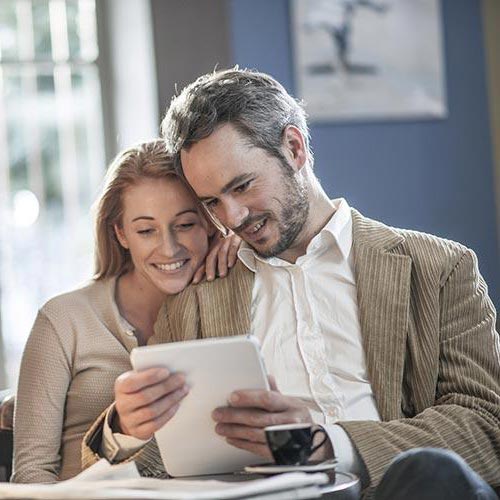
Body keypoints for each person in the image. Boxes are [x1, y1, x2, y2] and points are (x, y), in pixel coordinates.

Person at [82, 70, 500, 498]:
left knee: (429, 472)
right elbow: (161, 461)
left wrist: (321, 443)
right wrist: (127, 429)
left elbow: (487, 425)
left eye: (242, 186)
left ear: (294, 148)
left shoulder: (438, 267)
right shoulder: (197, 298)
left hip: (402, 489)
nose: (232, 218)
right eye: (211, 202)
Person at [12, 139, 239, 483]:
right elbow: (30, 474)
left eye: (186, 224)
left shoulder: (233, 300)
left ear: (209, 221)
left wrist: (247, 246)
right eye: (146, 230)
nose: (169, 248)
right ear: (120, 233)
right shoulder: (63, 320)